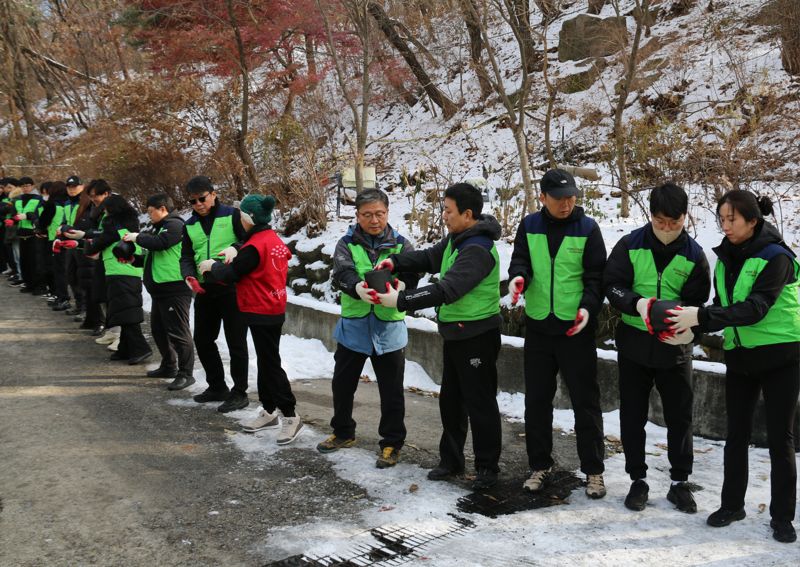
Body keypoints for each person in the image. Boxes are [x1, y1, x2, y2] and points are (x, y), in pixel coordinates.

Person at [667, 190, 799, 544]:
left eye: (732, 220)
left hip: (781, 357)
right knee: (735, 435)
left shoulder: (777, 258)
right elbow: (722, 305)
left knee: (780, 439)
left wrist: (701, 316)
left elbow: (756, 307)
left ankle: (782, 517)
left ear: (752, 221)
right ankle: (732, 505)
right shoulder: (726, 258)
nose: (725, 226)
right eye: (721, 219)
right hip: (740, 356)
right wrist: (693, 329)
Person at [374, 182, 503, 490]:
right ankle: (451, 461)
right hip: (455, 333)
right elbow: (429, 258)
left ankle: (487, 467)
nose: (443, 215)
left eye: (448, 210)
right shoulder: (457, 239)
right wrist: (396, 261)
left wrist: (401, 301)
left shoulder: (478, 250)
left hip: (478, 335)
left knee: (480, 403)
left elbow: (447, 289)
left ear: (467, 214)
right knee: (451, 401)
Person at [604, 182, 711, 513]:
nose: (666, 229)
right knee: (632, 415)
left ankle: (679, 482)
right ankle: (637, 479)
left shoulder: (694, 255)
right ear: (650, 216)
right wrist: (637, 304)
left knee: (680, 417)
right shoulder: (630, 245)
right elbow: (612, 285)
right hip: (634, 344)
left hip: (674, 349)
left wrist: (688, 333)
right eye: (660, 221)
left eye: (674, 223)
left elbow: (698, 305)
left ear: (684, 218)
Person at [507, 169, 607, 499]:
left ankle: (593, 470)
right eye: (559, 199)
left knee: (585, 402)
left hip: (575, 328)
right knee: (537, 401)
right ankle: (540, 465)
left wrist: (587, 308)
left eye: (571, 197)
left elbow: (596, 278)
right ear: (543, 198)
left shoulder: (588, 229)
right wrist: (518, 278)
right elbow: (520, 260)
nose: (566, 204)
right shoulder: (529, 225)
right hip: (538, 326)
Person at [316, 188, 419, 468]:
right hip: (354, 328)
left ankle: (392, 443)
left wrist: (401, 286)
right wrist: (357, 287)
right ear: (357, 215)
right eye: (367, 215)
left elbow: (412, 275)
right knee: (342, 385)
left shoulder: (402, 245)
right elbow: (342, 273)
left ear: (388, 212)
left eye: (380, 214)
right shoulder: (346, 243)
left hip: (389, 331)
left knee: (392, 392)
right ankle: (342, 432)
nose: (374, 220)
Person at [200, 194, 303, 445]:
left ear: (247, 218)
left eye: (241, 215)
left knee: (270, 364)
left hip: (261, 309)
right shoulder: (270, 238)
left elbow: (232, 273)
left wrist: (211, 266)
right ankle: (269, 411)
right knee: (267, 360)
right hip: (273, 305)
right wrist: (235, 248)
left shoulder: (255, 246)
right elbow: (250, 254)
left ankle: (290, 415)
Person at [180, 176, 250, 413]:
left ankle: (239, 392)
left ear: (213, 194)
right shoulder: (189, 225)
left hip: (232, 288)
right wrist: (188, 275)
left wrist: (235, 248)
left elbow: (249, 241)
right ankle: (217, 386)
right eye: (193, 201)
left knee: (236, 342)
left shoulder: (232, 215)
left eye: (202, 198)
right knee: (202, 339)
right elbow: (186, 255)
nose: (198, 204)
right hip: (205, 289)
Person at [123, 193, 195, 389]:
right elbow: (154, 255)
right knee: (159, 330)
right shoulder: (159, 227)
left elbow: (161, 244)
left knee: (178, 332)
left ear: (162, 209)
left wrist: (138, 237)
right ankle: (169, 365)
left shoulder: (175, 225)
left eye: (150, 211)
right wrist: (134, 260)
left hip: (175, 288)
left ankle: (186, 373)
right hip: (160, 289)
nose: (149, 215)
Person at [83, 192, 152, 364]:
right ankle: (125, 348)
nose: (104, 213)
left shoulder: (113, 226)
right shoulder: (129, 224)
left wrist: (88, 246)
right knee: (122, 311)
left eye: (106, 210)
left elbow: (98, 243)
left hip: (120, 272)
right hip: (127, 271)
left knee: (126, 313)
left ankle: (140, 349)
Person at [14, 176, 46, 295]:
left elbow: (40, 215)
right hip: (21, 233)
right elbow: (15, 214)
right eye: (23, 186)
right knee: (24, 261)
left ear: (32, 186)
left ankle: (39, 286)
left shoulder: (39, 199)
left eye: (27, 186)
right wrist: (12, 220)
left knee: (35, 262)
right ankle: (29, 284)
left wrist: (28, 216)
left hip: (33, 234)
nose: (25, 188)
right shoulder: (18, 200)